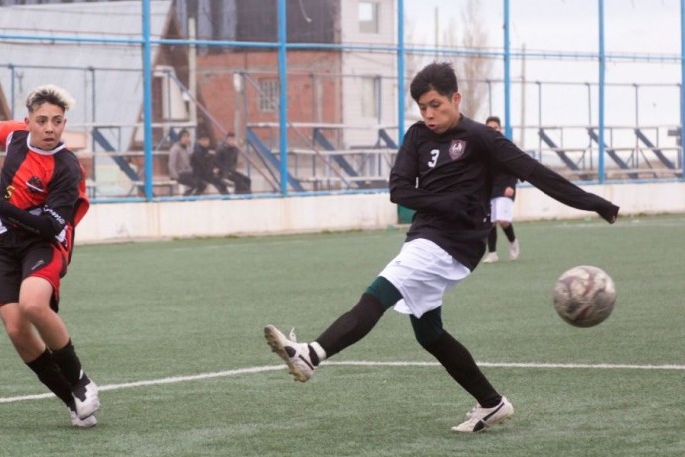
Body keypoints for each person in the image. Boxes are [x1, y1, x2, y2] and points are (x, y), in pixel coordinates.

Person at [264, 62, 619, 434]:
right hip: (426, 234)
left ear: (456, 98)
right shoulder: (417, 137)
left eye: (436, 105)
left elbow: (535, 173)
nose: (429, 114)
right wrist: (445, 203)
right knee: (429, 332)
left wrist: (595, 203)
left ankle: (311, 355)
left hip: (457, 242)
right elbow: (399, 191)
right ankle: (491, 402)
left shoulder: (482, 138)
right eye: (422, 107)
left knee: (379, 292)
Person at [0, 84, 101, 428]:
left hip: (44, 242)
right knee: (15, 328)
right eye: (41, 120)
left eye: (57, 121)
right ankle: (73, 402)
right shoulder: (13, 136)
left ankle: (82, 382)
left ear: (64, 123)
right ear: (28, 122)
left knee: (33, 304)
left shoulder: (67, 168)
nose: (49, 128)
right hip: (2, 243)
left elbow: (47, 226)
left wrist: (0, 204)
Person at [482, 116, 520, 263]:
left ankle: (513, 242)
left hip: (505, 187)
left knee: (503, 220)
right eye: (489, 128)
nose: (493, 130)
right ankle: (492, 253)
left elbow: (515, 167)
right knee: (490, 221)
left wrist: (511, 185)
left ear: (500, 129)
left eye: (495, 128)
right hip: (490, 189)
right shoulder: (483, 147)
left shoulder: (507, 146)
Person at [191, 131, 229, 195]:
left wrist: (218, 169)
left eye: (207, 140)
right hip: (200, 175)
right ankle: (193, 199)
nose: (206, 142)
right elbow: (202, 167)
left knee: (222, 185)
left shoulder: (209, 151)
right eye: (204, 140)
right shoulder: (197, 153)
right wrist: (212, 171)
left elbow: (215, 162)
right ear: (199, 141)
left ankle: (227, 201)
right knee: (205, 185)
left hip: (208, 174)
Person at [168, 129, 203, 196]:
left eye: (187, 136)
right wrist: (176, 176)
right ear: (180, 138)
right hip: (179, 173)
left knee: (202, 184)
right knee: (194, 183)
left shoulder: (187, 148)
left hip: (188, 172)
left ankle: (192, 199)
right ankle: (185, 197)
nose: (186, 138)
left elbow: (190, 160)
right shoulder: (175, 149)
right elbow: (171, 165)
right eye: (184, 136)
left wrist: (190, 146)